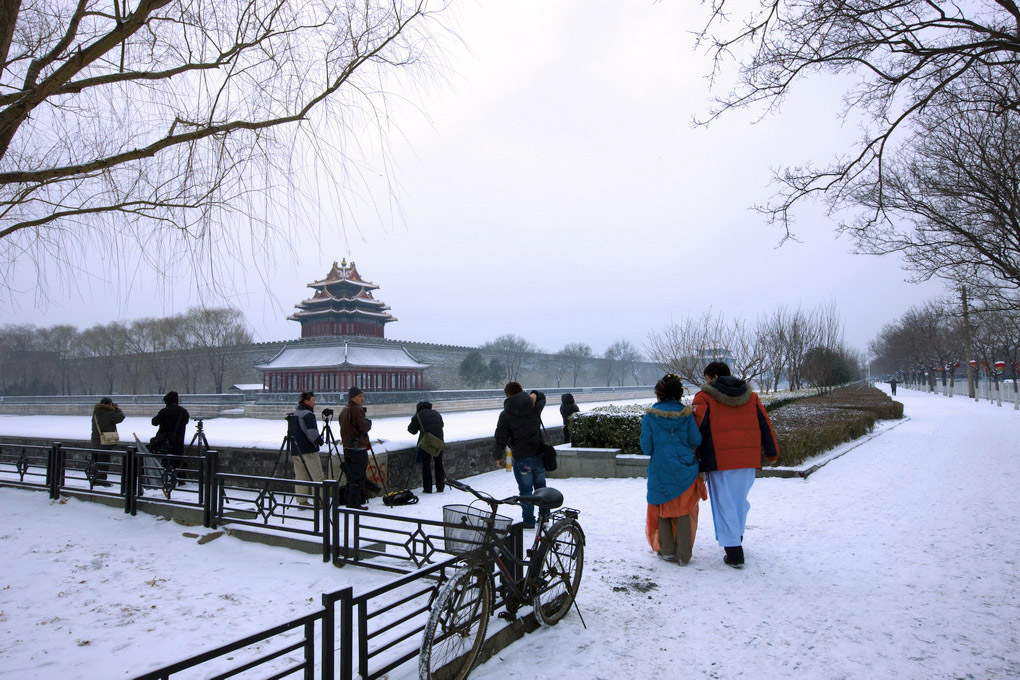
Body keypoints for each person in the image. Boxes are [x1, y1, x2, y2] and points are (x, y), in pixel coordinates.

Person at [692, 361, 780, 568]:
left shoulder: (704, 397)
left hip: (720, 460)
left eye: (706, 379)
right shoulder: (751, 396)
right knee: (740, 501)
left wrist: (691, 454)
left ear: (713, 376)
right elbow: (765, 425)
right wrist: (772, 452)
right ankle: (737, 539)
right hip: (748, 458)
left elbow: (696, 429)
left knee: (724, 504)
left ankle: (733, 552)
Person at [640, 374, 705, 565]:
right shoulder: (686, 415)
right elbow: (696, 440)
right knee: (684, 510)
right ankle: (684, 555)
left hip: (660, 469)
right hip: (685, 468)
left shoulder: (650, 417)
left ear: (659, 394)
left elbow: (647, 448)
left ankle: (667, 550)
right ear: (678, 394)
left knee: (663, 507)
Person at [493, 382, 547, 528]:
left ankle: (529, 520)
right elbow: (542, 397)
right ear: (522, 390)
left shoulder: (505, 414)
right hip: (538, 454)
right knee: (541, 487)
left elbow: (501, 437)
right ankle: (545, 516)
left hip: (522, 457)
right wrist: (535, 393)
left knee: (525, 491)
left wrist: (498, 456)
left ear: (507, 395)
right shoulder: (533, 407)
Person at [288, 391, 325, 506]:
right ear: (306, 401)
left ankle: (302, 500)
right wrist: (319, 440)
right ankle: (320, 501)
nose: (315, 402)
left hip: (296, 450)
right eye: (313, 400)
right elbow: (312, 432)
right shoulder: (307, 414)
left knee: (300, 476)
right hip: (308, 450)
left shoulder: (295, 413)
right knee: (317, 476)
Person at [340, 386, 372, 510]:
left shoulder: (344, 410)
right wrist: (368, 423)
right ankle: (354, 502)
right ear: (353, 397)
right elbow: (364, 427)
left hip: (347, 447)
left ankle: (350, 499)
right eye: (360, 396)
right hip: (358, 448)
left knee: (351, 475)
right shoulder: (357, 410)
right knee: (358, 476)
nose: (362, 399)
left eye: (363, 396)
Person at [151, 391, 190, 480]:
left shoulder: (164, 411)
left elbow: (154, 422)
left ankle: (167, 477)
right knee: (178, 458)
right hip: (179, 439)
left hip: (165, 440)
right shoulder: (183, 412)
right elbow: (186, 422)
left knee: (166, 458)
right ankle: (181, 478)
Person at [407, 401, 445, 493]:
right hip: (439, 442)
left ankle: (428, 488)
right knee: (439, 463)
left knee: (426, 465)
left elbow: (412, 430)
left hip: (426, 443)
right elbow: (442, 425)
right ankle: (440, 487)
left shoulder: (418, 416)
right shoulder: (436, 413)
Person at [90, 397, 125, 487]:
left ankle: (95, 479)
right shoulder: (108, 413)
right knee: (104, 462)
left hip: (95, 440)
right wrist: (117, 409)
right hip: (104, 442)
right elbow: (120, 417)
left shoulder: (96, 411)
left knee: (97, 461)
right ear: (108, 404)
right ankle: (101, 480)